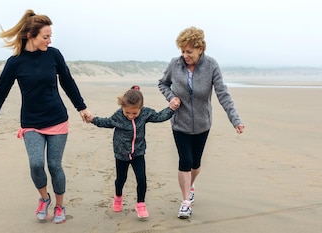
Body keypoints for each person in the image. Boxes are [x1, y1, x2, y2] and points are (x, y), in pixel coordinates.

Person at [0, 9, 92, 224]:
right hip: (31, 122)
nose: (49, 41)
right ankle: (44, 198)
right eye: (45, 36)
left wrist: (82, 107)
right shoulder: (15, 62)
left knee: (54, 165)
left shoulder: (54, 55)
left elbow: (67, 81)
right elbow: (0, 93)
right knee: (36, 164)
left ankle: (60, 205)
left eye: (51, 36)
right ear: (31, 36)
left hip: (57, 119)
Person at [157, 26, 245, 219]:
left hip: (203, 124)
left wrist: (235, 120)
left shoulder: (211, 65)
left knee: (195, 164)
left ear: (200, 49)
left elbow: (223, 94)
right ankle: (185, 201)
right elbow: (162, 83)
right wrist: (171, 97)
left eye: (189, 51)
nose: (185, 55)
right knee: (185, 161)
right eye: (182, 51)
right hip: (180, 122)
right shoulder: (175, 64)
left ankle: (191, 185)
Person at [85, 86, 180, 218]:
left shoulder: (145, 113)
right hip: (121, 154)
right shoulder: (118, 116)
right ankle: (118, 196)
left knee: (141, 179)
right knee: (121, 179)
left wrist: (171, 109)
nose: (130, 116)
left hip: (138, 153)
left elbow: (159, 116)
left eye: (134, 113)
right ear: (122, 108)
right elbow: (106, 122)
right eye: (127, 112)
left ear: (141, 108)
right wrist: (93, 120)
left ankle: (140, 204)